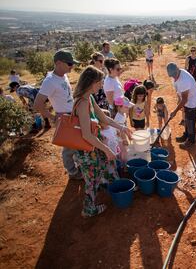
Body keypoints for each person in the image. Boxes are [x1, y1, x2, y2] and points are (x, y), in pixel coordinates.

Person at [72, 66, 132, 217]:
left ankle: (115, 187)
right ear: (91, 82)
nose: (101, 85)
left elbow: (104, 118)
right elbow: (86, 134)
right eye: (99, 82)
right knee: (92, 180)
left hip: (95, 144)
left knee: (109, 164)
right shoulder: (82, 103)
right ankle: (89, 209)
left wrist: (122, 127)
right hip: (86, 150)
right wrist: (106, 149)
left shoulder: (90, 99)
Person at [34, 50, 82, 180]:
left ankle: (78, 166)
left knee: (76, 143)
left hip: (72, 115)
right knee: (69, 147)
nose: (72, 66)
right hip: (64, 117)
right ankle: (72, 172)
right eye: (69, 64)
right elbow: (37, 104)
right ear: (59, 63)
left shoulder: (63, 75)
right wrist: (53, 117)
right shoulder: (49, 81)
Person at [167, 62, 196, 148]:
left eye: (175, 74)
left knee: (190, 122)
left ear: (178, 69)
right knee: (186, 119)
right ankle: (186, 135)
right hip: (187, 101)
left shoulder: (184, 80)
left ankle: (191, 141)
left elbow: (185, 99)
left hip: (192, 102)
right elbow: (180, 93)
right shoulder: (177, 74)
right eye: (172, 75)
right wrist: (179, 101)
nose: (174, 76)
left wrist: (175, 111)